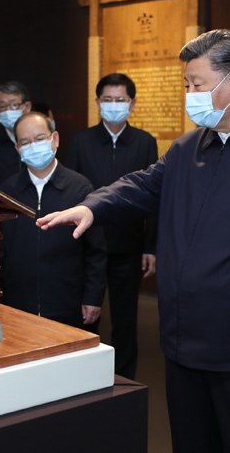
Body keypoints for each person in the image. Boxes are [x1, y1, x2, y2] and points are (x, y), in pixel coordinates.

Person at [38, 29, 230, 452]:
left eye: (197, 84)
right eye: (186, 85)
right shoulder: (189, 147)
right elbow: (141, 185)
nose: (189, 95)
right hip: (184, 343)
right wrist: (92, 207)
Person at [65, 72, 158, 380]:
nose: (114, 104)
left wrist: (150, 247)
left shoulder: (145, 142)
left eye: (120, 99)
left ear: (132, 104)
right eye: (108, 99)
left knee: (125, 318)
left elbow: (154, 198)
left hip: (128, 245)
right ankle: (85, 377)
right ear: (97, 102)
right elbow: (72, 192)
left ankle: (124, 379)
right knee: (86, 314)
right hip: (88, 246)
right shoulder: (80, 141)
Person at [0, 111, 106, 330]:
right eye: (25, 142)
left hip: (68, 302)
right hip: (17, 304)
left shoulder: (80, 188)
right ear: (17, 149)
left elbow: (95, 251)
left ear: (55, 138)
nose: (33, 146)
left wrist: (93, 297)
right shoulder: (6, 192)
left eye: (39, 138)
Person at [0, 81, 32, 185]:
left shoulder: (42, 138)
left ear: (27, 107)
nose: (8, 111)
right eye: (3, 106)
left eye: (14, 105)